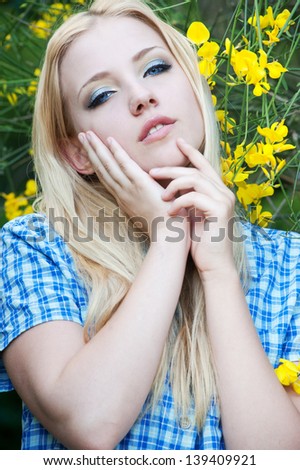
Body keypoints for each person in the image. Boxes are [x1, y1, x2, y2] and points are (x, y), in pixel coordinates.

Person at [0, 0, 299, 450]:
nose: (142, 95)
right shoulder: (36, 246)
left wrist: (219, 273)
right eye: (102, 95)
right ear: (77, 154)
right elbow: (88, 423)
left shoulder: (290, 263)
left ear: (195, 83)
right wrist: (169, 239)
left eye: (156, 68)